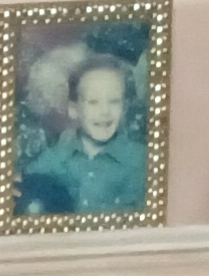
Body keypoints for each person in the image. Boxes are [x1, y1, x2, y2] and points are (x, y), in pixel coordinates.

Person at [19, 48, 149, 215]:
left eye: (114, 101)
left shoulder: (142, 162)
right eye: (93, 102)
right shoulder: (49, 163)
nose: (105, 111)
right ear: (74, 109)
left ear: (124, 108)